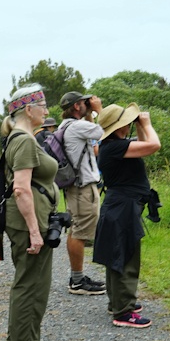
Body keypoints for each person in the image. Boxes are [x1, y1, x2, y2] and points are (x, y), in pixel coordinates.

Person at [2, 85, 59, 341]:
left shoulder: (23, 138)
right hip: (28, 223)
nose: (47, 112)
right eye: (43, 106)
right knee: (30, 283)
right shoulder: (23, 140)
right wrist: (35, 231)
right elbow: (21, 189)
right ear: (29, 109)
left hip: (31, 220)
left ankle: (22, 338)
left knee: (32, 281)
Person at [93, 103, 160, 329]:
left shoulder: (114, 145)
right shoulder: (113, 147)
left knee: (118, 254)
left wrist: (140, 126)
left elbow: (143, 143)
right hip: (122, 207)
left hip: (122, 206)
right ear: (120, 126)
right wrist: (147, 124)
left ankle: (118, 303)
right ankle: (123, 311)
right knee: (126, 256)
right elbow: (153, 145)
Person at [58, 91, 107, 295]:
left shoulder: (67, 125)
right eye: (84, 103)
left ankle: (77, 277)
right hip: (82, 188)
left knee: (76, 229)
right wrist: (99, 110)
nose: (88, 104)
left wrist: (90, 114)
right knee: (79, 231)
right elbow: (106, 132)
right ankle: (77, 281)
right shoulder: (77, 126)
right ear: (77, 106)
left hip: (77, 186)